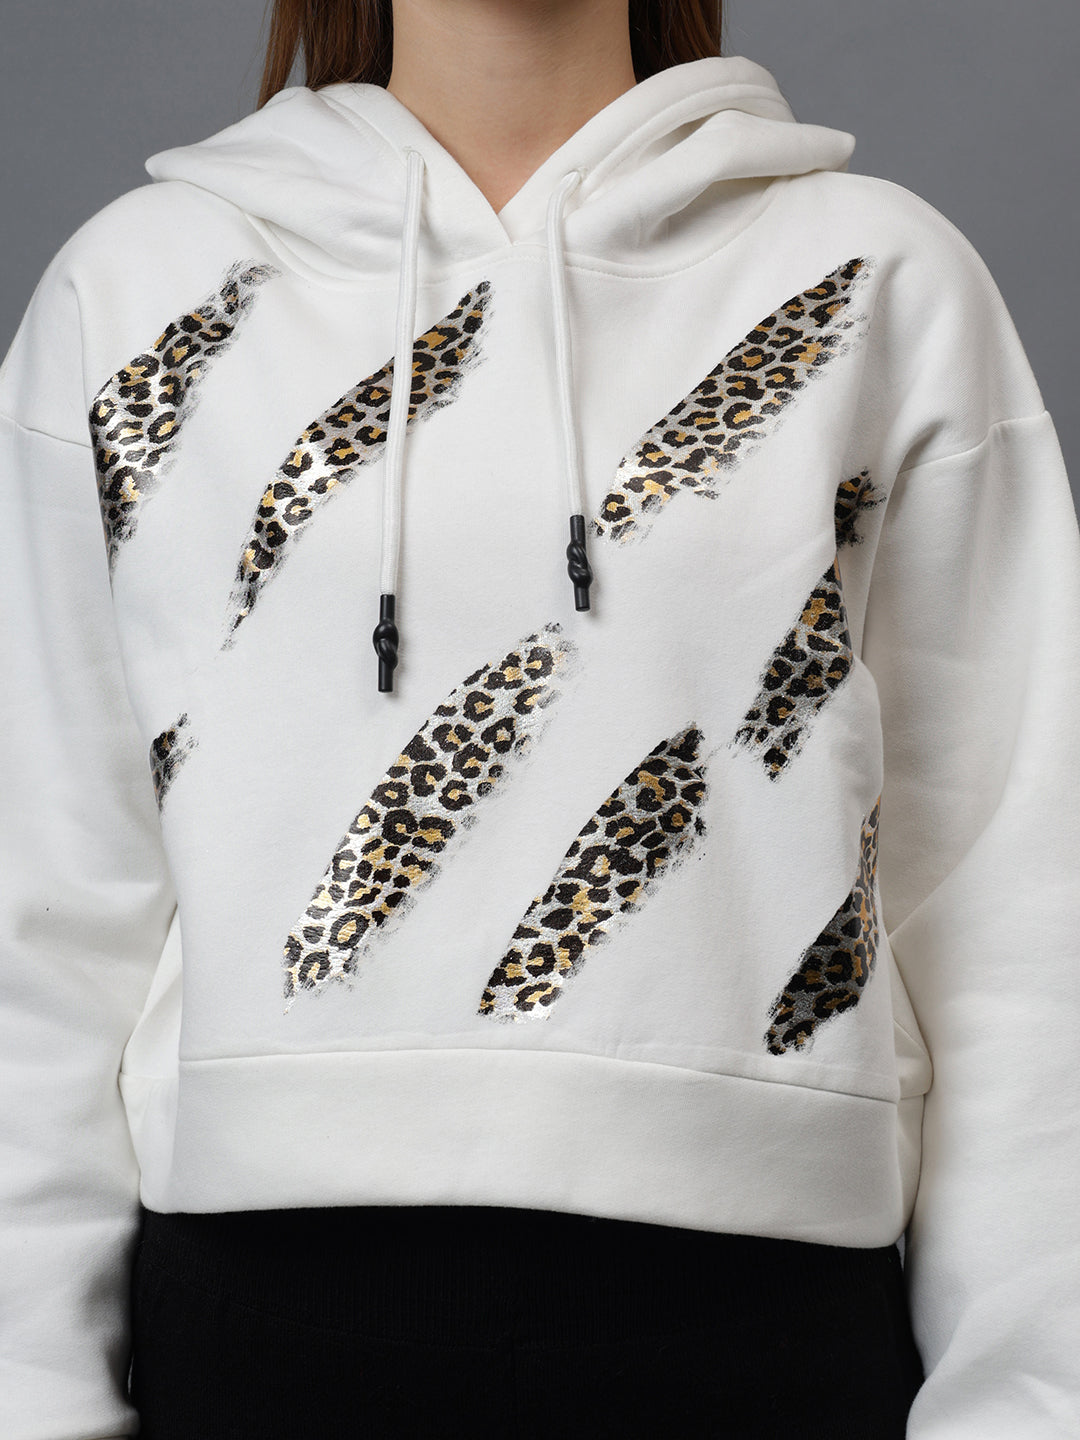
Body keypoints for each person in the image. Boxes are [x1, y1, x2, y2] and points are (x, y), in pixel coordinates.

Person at [1, 0, 1077, 1435]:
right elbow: (45, 899)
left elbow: (1014, 896)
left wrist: (1028, 1397)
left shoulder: (879, 277)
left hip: (765, 1329)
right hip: (262, 1326)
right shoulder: (137, 291)